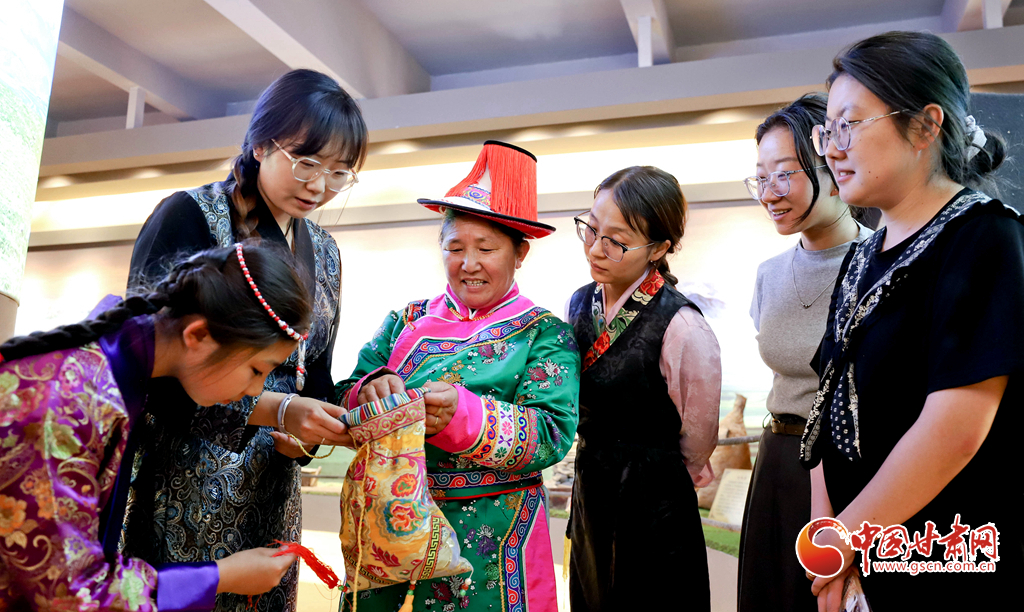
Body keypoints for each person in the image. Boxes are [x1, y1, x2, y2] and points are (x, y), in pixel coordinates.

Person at [122, 68, 366, 612]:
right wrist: (278, 410)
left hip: (273, 494)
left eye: (338, 173)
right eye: (306, 162)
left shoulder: (326, 252)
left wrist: (308, 436)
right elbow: (149, 368)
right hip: (182, 486)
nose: (319, 186)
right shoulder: (192, 216)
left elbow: (314, 376)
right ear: (261, 144)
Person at [800, 31, 1023, 611]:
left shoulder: (985, 237)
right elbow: (826, 405)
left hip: (943, 556)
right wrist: (828, 542)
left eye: (850, 125)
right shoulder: (859, 257)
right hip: (855, 552)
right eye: (828, 131)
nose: (832, 150)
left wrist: (844, 540)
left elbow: (955, 427)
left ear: (926, 126)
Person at [335, 141, 580, 612]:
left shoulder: (545, 333)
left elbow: (551, 434)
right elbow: (345, 393)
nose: (469, 263)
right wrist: (368, 391)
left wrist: (461, 416)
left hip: (492, 536)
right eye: (455, 248)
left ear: (520, 252)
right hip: (389, 529)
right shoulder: (405, 321)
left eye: (486, 248)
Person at [0, 242, 310, 610]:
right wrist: (219, 576)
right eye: (257, 370)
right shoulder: (68, 402)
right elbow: (66, 593)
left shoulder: (120, 366)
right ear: (197, 336)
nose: (256, 390)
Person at [737, 94, 873, 612]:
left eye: (783, 174)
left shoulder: (880, 261)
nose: (769, 193)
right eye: (760, 178)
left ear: (833, 164)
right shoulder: (769, 274)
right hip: (776, 460)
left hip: (850, 465)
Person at [566, 166, 721, 612]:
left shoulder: (682, 325)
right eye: (591, 229)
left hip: (654, 503)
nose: (595, 249)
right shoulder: (580, 302)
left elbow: (698, 438)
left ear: (659, 248)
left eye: (615, 241)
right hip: (592, 489)